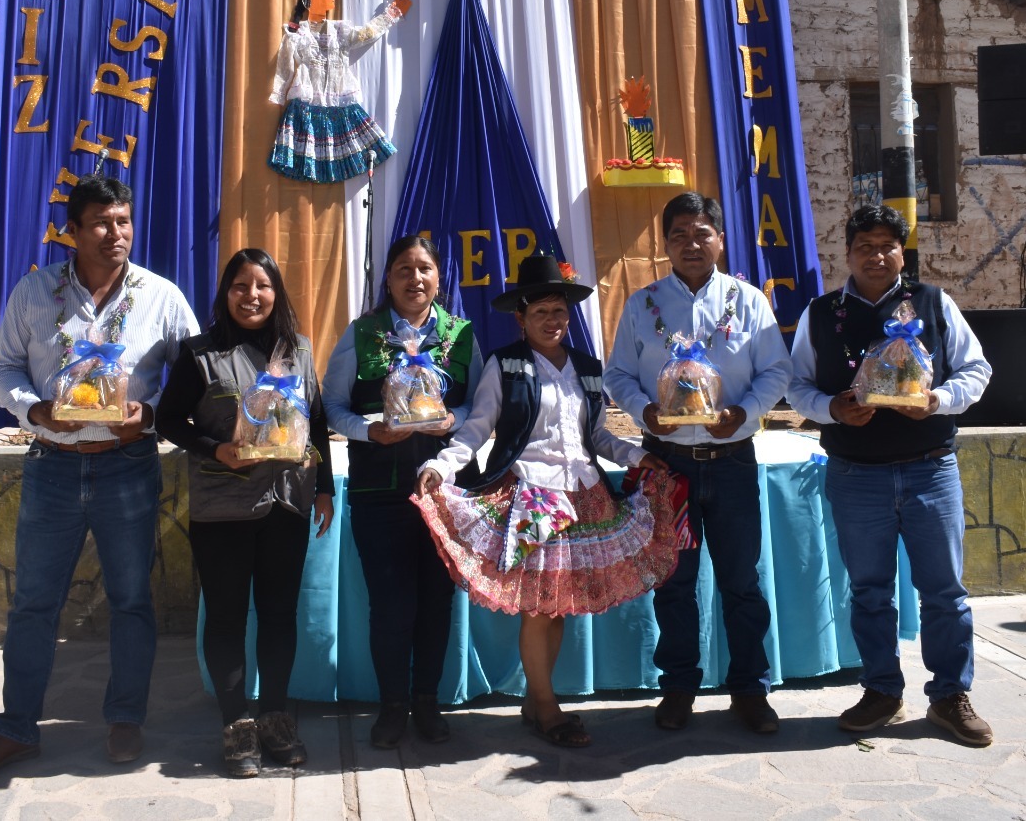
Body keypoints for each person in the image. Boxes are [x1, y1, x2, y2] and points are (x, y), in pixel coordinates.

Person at [0, 174, 199, 776]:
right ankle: (16, 728)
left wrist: (150, 418)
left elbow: (197, 375)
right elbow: (2, 365)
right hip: (53, 468)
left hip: (129, 467)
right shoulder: (36, 293)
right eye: (101, 223)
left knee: (131, 601)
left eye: (123, 221)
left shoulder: (160, 297)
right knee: (34, 604)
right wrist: (32, 410)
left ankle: (124, 719)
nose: (116, 235)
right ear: (72, 231)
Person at [414, 255, 681, 748]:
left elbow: (598, 436)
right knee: (540, 607)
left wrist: (639, 457)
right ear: (522, 317)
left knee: (555, 607)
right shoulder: (505, 364)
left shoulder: (586, 367)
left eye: (559, 312)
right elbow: (477, 428)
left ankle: (536, 704)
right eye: (541, 313)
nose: (552, 321)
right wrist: (442, 465)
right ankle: (548, 709)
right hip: (532, 496)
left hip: (582, 495)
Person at [786, 205, 994, 747]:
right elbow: (796, 385)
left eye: (887, 246)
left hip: (930, 470)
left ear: (903, 252)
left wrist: (938, 400)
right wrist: (832, 408)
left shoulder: (933, 303)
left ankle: (950, 694)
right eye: (865, 247)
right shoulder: (820, 312)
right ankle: (881, 688)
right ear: (847, 252)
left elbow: (977, 369)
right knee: (870, 591)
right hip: (856, 476)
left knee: (945, 594)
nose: (876, 257)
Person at [603, 191, 791, 734]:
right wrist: (644, 411)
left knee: (741, 580)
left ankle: (750, 690)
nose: (691, 243)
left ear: (721, 240)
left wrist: (745, 411)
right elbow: (617, 375)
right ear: (665, 245)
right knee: (674, 581)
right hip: (668, 467)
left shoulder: (748, 301)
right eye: (679, 234)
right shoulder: (643, 305)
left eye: (701, 232)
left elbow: (775, 372)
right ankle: (679, 687)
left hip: (731, 460)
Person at [155, 248, 335, 778]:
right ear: (225, 292)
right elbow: (169, 420)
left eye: (262, 285)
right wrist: (216, 449)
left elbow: (318, 422)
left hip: (287, 502)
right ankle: (237, 724)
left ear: (276, 292)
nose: (251, 296)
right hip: (223, 505)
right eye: (239, 285)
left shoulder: (297, 350)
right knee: (228, 615)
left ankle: (275, 717)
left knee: (279, 613)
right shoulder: (201, 352)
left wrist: (322, 488)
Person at [321, 234, 483, 748]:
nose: (415, 279)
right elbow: (332, 406)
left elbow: (483, 406)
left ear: (440, 277)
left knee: (437, 601)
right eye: (404, 270)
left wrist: (452, 420)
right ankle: (393, 705)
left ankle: (427, 702)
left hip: (445, 491)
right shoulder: (362, 334)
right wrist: (370, 431)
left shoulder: (461, 335)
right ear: (387, 279)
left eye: (425, 269)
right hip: (380, 492)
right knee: (391, 605)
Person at [268, 0, 411, 183]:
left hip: (340, 105)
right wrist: (279, 92)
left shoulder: (340, 31)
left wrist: (393, 12)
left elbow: (366, 34)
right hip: (306, 107)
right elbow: (284, 66)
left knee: (359, 151)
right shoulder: (297, 33)